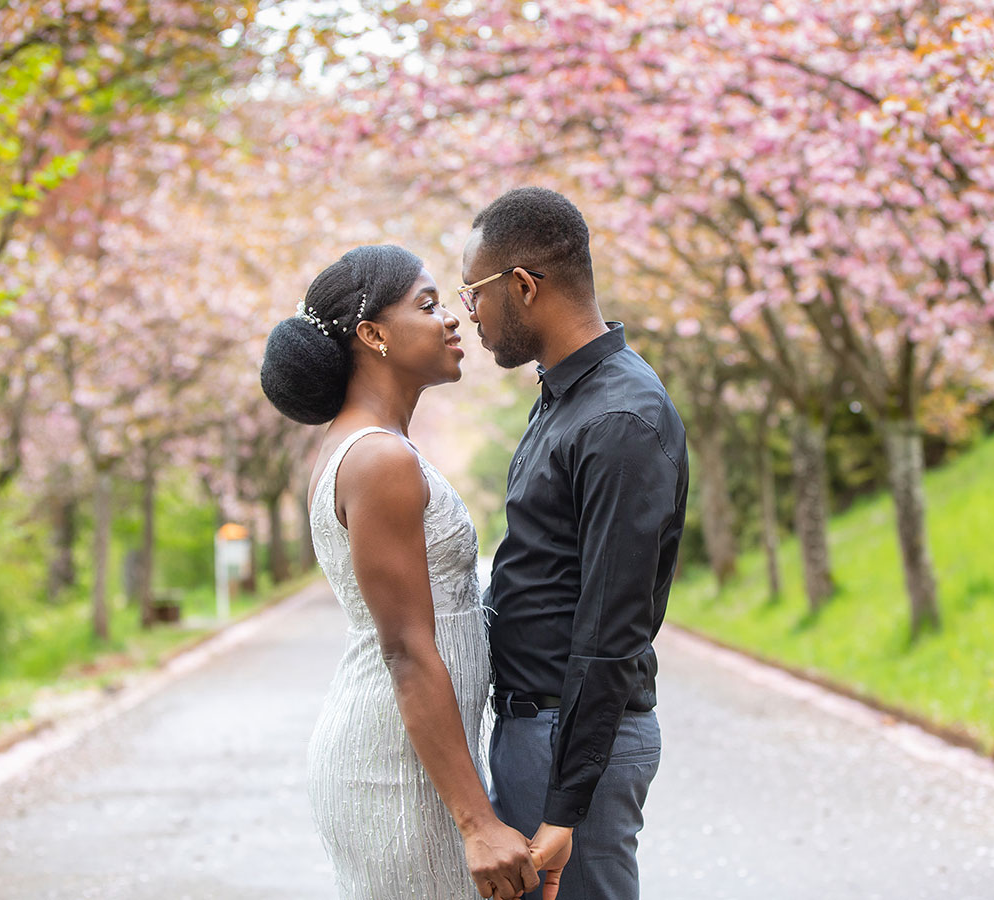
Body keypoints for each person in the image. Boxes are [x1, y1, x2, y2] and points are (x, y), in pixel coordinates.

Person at [259, 245, 545, 900]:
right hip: (397, 768)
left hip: (414, 755)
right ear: (373, 335)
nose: (452, 320)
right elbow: (407, 650)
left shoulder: (373, 447)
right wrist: (477, 823)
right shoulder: (378, 458)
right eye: (428, 304)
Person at [460, 187, 689, 899]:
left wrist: (567, 804)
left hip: (570, 744)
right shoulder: (565, 395)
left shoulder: (621, 417)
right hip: (536, 729)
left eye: (474, 292)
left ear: (523, 286)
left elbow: (612, 626)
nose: (468, 312)